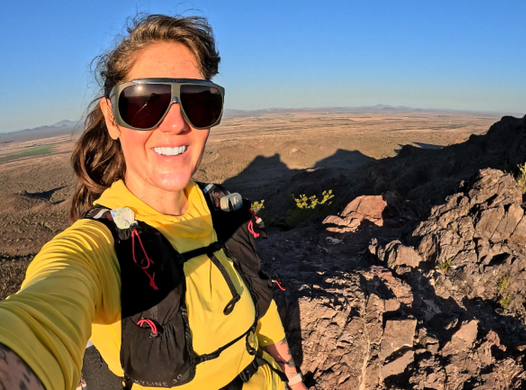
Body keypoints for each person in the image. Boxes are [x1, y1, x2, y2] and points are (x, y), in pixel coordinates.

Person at [0, 14, 307, 390]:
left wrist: (290, 373)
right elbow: (41, 317)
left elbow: (260, 301)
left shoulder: (220, 210)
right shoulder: (98, 246)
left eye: (197, 101)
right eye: (146, 102)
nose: (176, 123)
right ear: (111, 118)